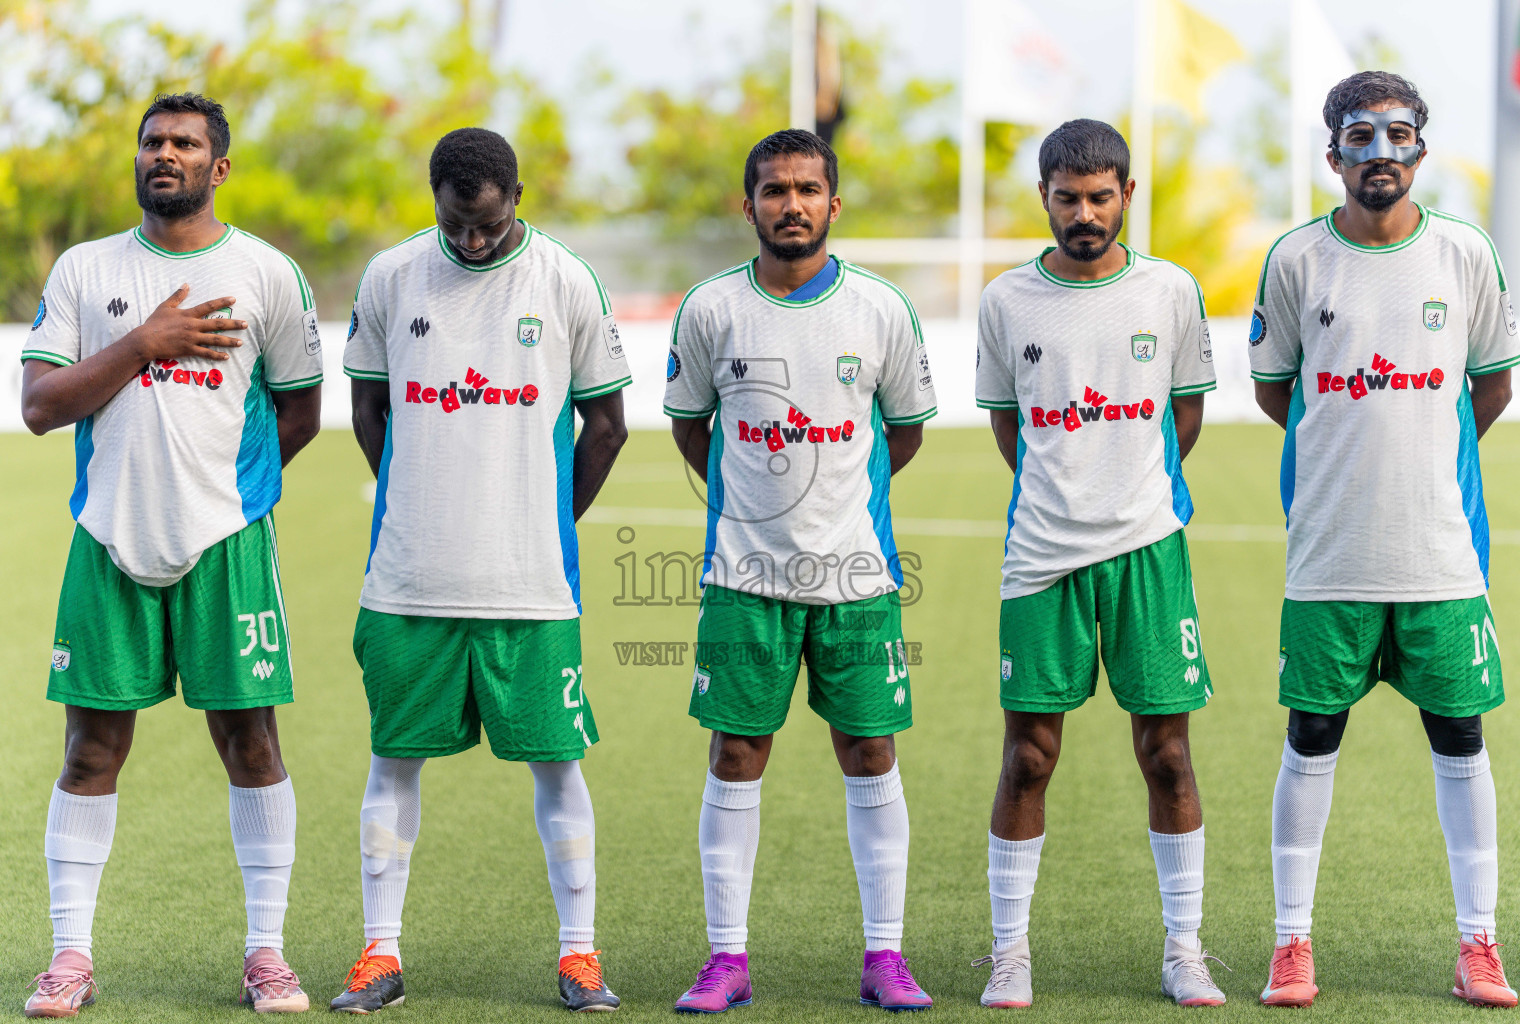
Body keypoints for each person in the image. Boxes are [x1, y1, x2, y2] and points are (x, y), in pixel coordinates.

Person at [19, 92, 322, 1017]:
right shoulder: (86, 268)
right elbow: (40, 405)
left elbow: (301, 409)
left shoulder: (266, 272)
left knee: (251, 743)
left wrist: (226, 494)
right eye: (152, 142)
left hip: (227, 543)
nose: (165, 153)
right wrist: (145, 342)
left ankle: (266, 955)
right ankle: (70, 958)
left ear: (217, 167)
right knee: (90, 750)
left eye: (185, 143)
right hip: (108, 536)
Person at [332, 127, 631, 1014]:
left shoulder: (565, 280)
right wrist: (418, 499)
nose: (471, 241)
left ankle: (580, 957)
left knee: (558, 766)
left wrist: (542, 518)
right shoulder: (392, 276)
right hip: (408, 581)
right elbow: (369, 407)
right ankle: (378, 954)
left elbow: (608, 425)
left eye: (489, 226)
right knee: (392, 760)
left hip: (530, 587)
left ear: (517, 200)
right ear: (435, 199)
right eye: (455, 224)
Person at [1250, 72, 1520, 1009]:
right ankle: (1291, 943)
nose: (1380, 152)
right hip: (1330, 553)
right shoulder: (1296, 260)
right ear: (1333, 154)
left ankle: (1479, 943)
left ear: (1421, 149)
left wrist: (1424, 454)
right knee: (1311, 734)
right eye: (1360, 136)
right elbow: (1276, 391)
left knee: (1461, 736)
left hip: (1441, 552)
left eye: (1398, 134)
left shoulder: (1464, 253)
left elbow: (1491, 385)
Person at [663, 128, 937, 1013]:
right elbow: (690, 426)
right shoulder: (711, 309)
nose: (792, 205)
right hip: (743, 579)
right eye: (774, 190)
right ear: (748, 205)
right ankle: (726, 958)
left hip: (857, 579)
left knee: (871, 750)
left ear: (834, 203)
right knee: (736, 752)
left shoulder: (881, 310)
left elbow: (904, 431)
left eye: (807, 189)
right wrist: (754, 503)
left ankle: (886, 955)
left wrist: (834, 501)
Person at [970, 119, 1224, 1009]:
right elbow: (1008, 424)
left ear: (1126, 195)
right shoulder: (1006, 300)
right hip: (1042, 557)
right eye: (1068, 198)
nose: (1085, 214)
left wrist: (1130, 488)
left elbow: (1185, 415)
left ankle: (1185, 950)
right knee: (1028, 757)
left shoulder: (1170, 291)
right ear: (1044, 197)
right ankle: (1009, 953)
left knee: (1168, 755)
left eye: (1100, 197)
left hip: (1149, 552)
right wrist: (1067, 489)